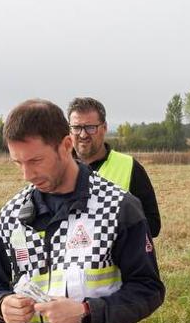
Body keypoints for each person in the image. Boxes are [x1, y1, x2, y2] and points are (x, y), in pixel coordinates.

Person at [0, 99, 164, 323]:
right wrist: (1, 305)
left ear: (66, 146)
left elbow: (148, 291)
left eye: (35, 160)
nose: (26, 174)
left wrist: (85, 312)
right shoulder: (10, 215)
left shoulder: (118, 207)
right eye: (17, 162)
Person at [68, 96, 162, 238]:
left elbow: (153, 225)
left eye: (90, 128)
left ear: (104, 128)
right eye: (76, 128)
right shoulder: (57, 170)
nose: (83, 134)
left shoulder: (130, 167)